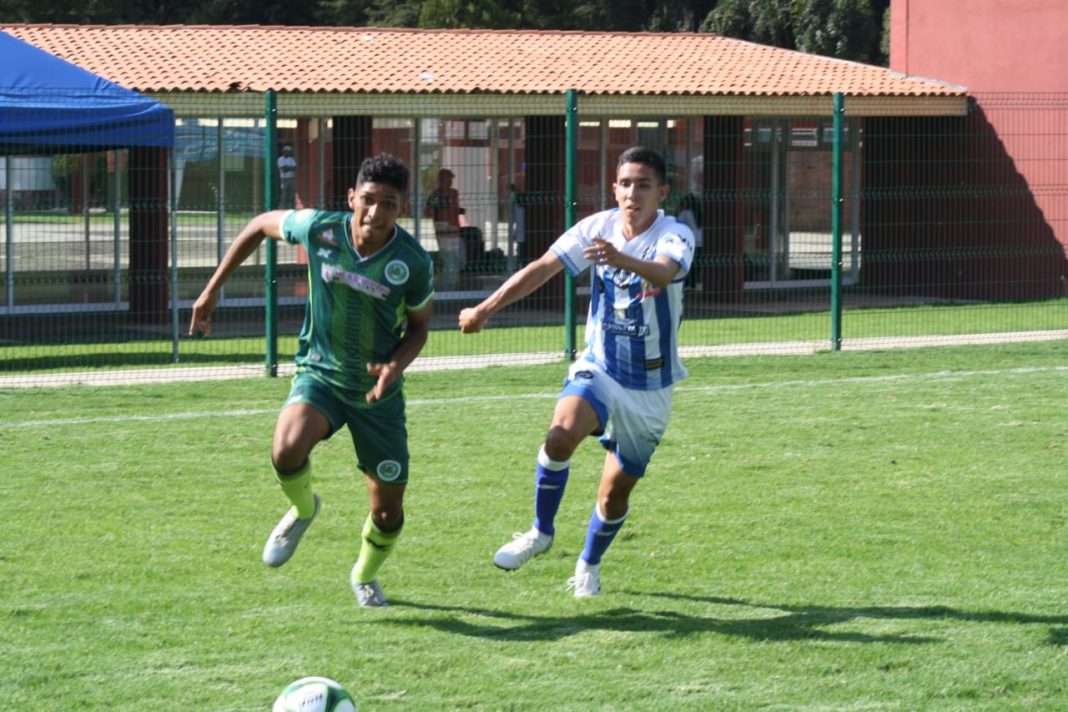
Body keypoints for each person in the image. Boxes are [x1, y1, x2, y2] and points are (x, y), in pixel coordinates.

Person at [189, 153, 434, 608]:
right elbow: (260, 223)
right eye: (368, 200)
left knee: (386, 512)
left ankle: (364, 574)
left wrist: (395, 367)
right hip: (320, 373)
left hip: (375, 395)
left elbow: (419, 327)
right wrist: (212, 289)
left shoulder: (412, 262)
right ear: (351, 198)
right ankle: (303, 509)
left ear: (402, 209)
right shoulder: (320, 229)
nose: (376, 213)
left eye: (389, 204)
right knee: (286, 449)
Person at [458, 147, 694, 598]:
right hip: (600, 367)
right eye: (625, 184)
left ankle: (588, 564)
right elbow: (542, 268)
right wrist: (486, 308)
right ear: (614, 188)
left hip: (650, 389)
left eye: (643, 185)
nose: (632, 193)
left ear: (661, 192)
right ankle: (540, 532)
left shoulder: (674, 233)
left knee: (613, 496)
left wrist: (619, 258)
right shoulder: (597, 228)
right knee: (560, 435)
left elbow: (664, 273)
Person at [423, 168, 466, 289]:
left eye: (451, 179)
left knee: (459, 258)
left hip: (454, 230)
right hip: (444, 230)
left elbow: (455, 210)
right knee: (449, 259)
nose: (450, 181)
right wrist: (437, 208)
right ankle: (449, 286)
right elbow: (427, 212)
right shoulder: (435, 195)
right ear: (441, 180)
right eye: (448, 178)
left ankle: (453, 282)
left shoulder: (453, 193)